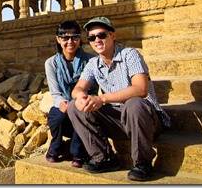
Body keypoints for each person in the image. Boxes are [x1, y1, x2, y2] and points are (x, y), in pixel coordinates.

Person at [67, 16, 171, 181]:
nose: (97, 40)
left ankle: (143, 163)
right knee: (74, 106)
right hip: (119, 120)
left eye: (102, 35)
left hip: (145, 119)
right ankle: (104, 157)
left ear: (112, 35)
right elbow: (78, 88)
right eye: (92, 37)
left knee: (134, 104)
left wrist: (102, 99)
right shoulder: (93, 63)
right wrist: (80, 96)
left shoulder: (130, 54)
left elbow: (141, 89)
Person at [44, 20, 96, 167]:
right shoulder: (51, 63)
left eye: (75, 37)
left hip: (84, 103)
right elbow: (55, 92)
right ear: (58, 39)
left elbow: (94, 89)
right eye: (65, 37)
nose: (70, 42)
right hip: (64, 104)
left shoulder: (91, 60)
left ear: (80, 39)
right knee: (58, 115)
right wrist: (62, 102)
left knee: (81, 111)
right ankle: (55, 148)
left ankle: (77, 152)